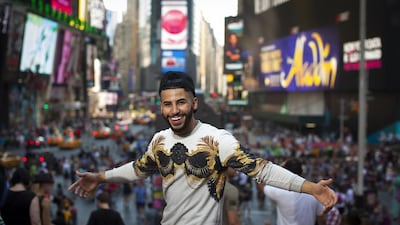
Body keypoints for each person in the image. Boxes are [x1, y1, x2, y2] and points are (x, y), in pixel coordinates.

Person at [68, 71, 337, 225]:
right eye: (168, 104)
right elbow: (138, 169)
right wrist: (101, 177)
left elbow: (261, 169)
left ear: (194, 103)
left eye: (181, 102)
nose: (174, 111)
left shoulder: (218, 140)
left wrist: (311, 187)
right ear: (161, 106)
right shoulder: (159, 140)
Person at [264, 158, 325, 225]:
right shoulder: (314, 192)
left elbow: (262, 183)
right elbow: (321, 219)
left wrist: (279, 169)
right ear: (302, 172)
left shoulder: (279, 191)